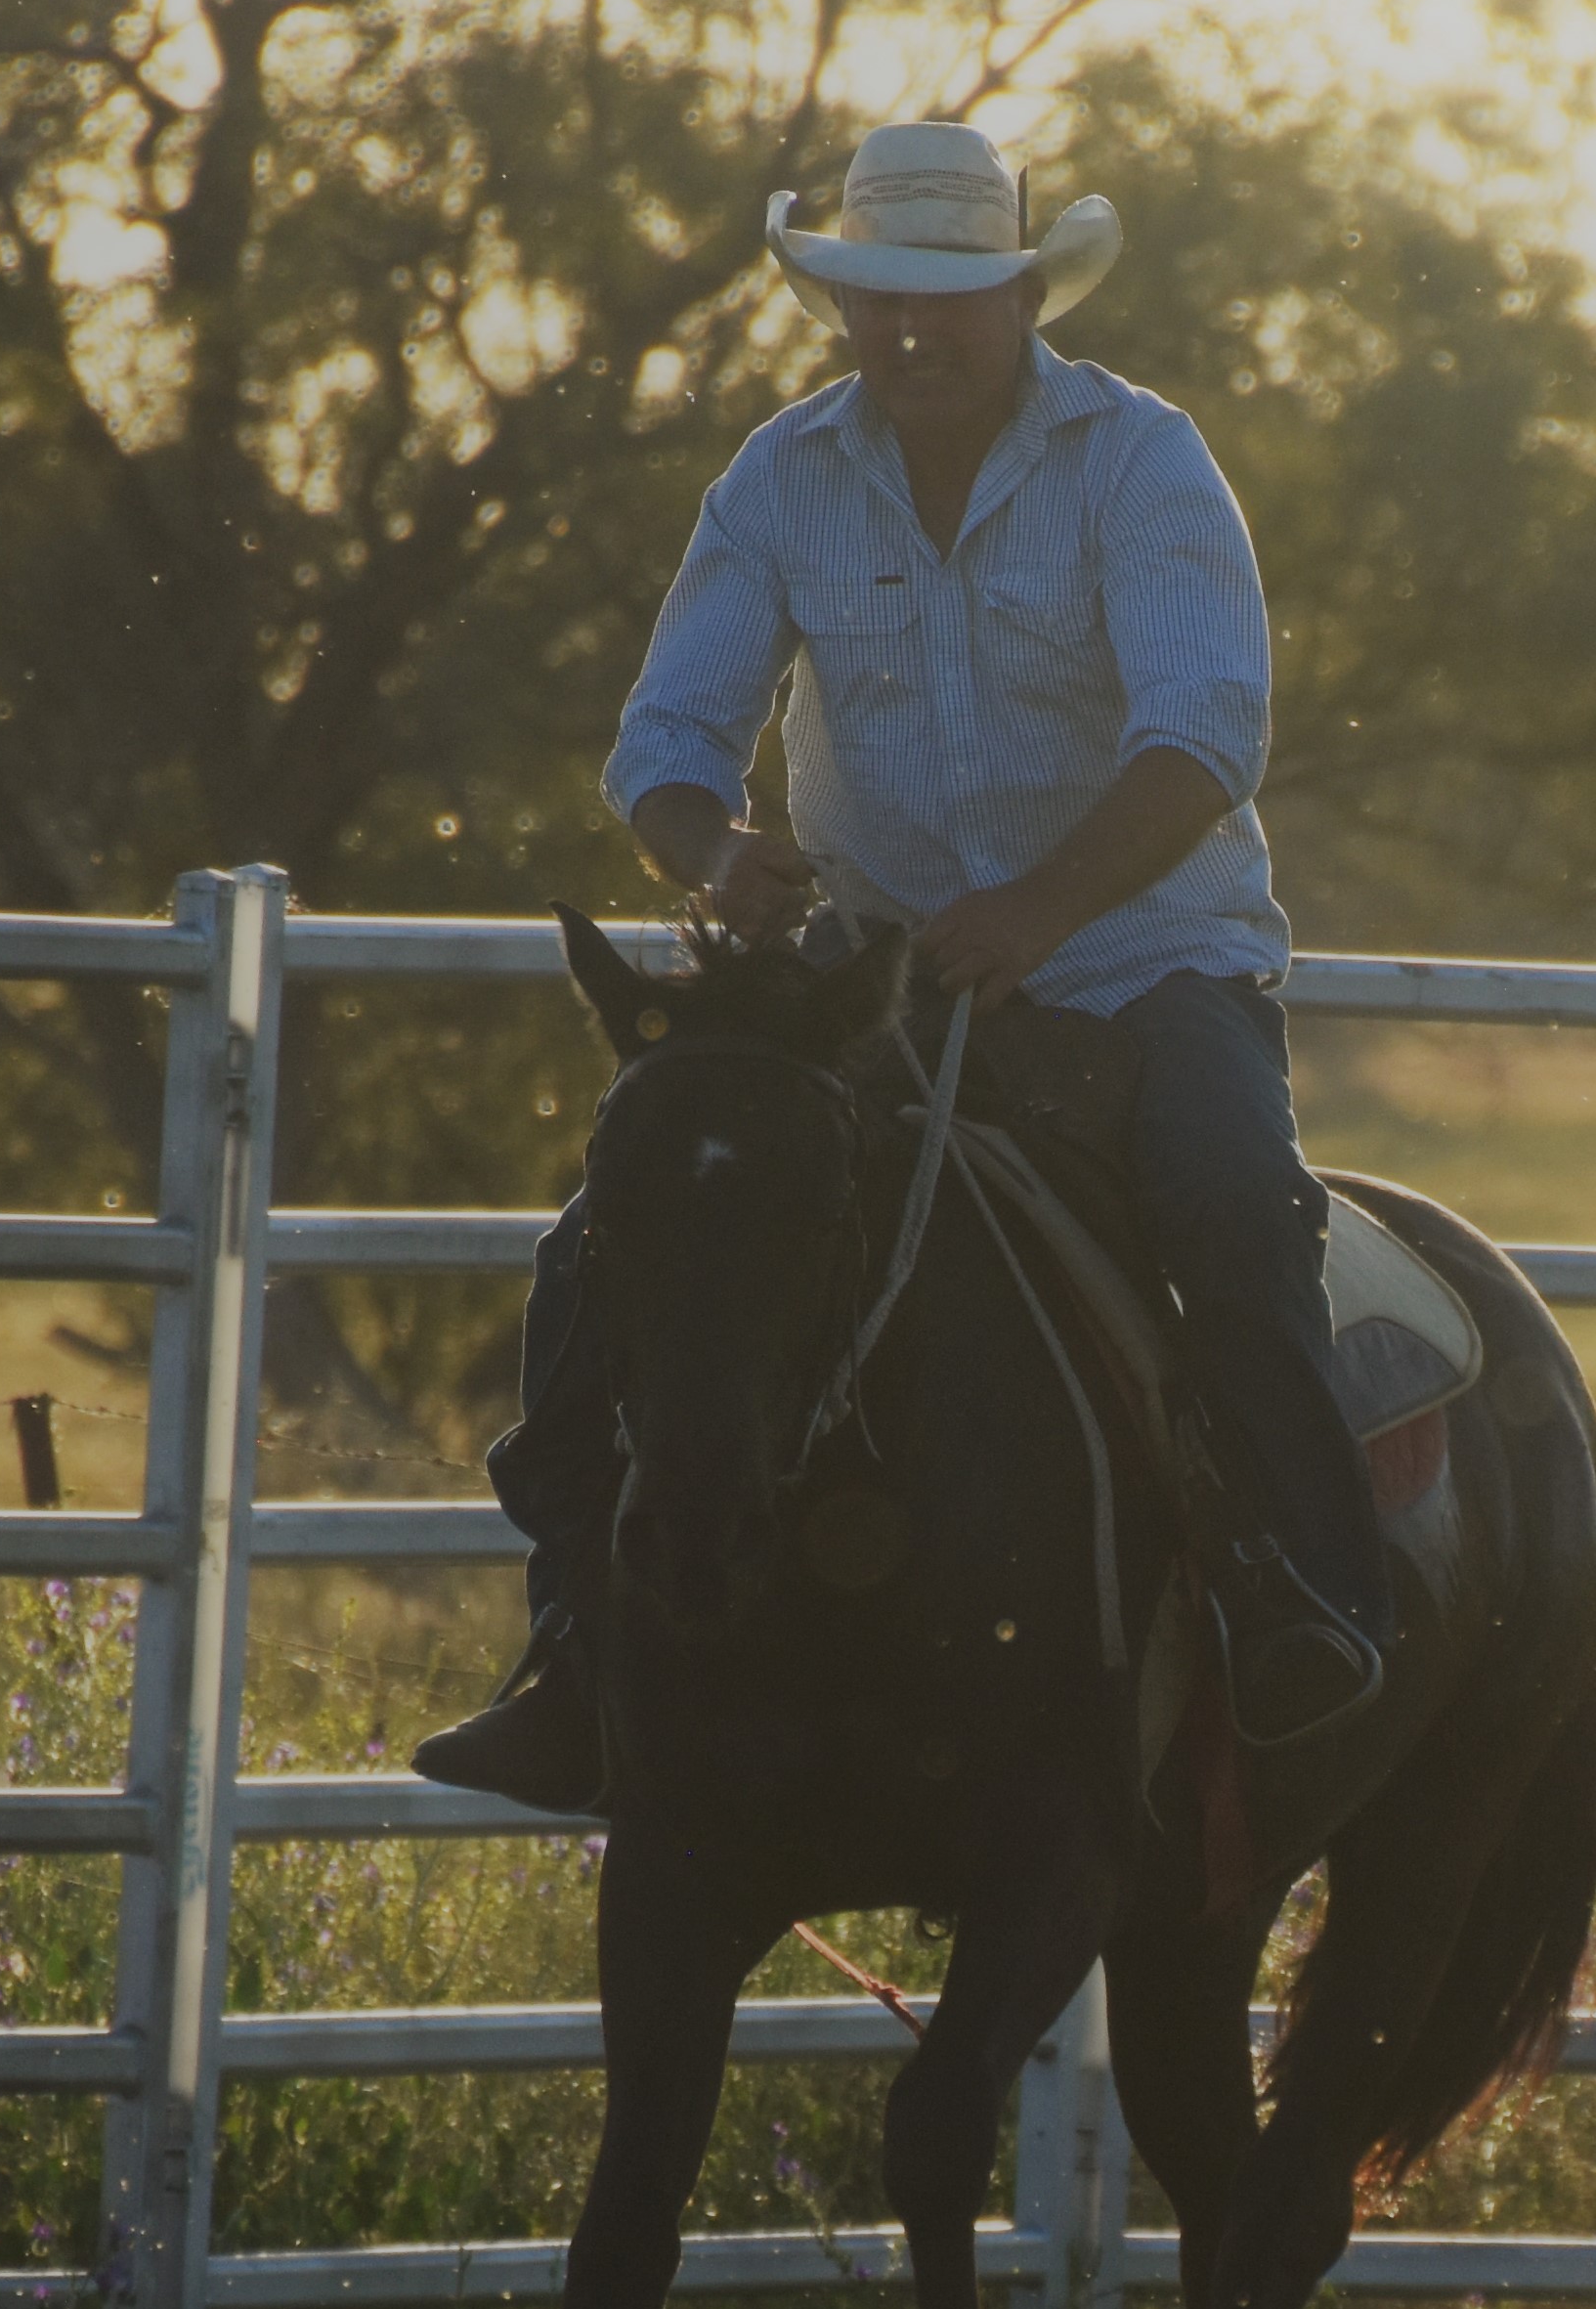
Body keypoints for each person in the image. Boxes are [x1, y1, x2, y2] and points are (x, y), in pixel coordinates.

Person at [414, 120, 1392, 1807]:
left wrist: (1039, 909)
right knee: (609, 1239)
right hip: (862, 980)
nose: (912, 328)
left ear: (1023, 296)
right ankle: (580, 1638)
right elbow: (666, 742)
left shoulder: (1140, 462)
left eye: (947, 294)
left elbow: (1202, 737)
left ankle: (1299, 1592)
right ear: (840, 303)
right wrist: (716, 854)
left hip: (1144, 957)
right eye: (881, 296)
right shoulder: (782, 476)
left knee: (1233, 1198)